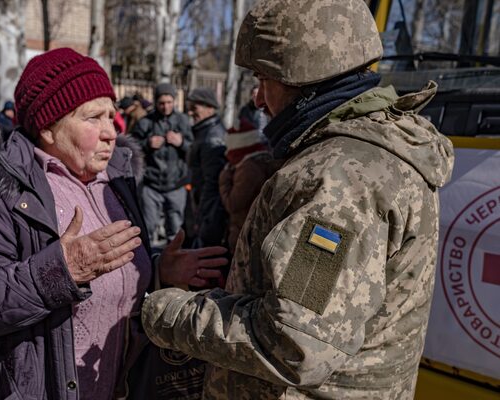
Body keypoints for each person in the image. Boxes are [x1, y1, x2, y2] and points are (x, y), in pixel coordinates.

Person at [141, 1, 455, 399]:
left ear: (303, 79)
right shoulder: (371, 156)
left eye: (263, 80)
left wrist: (164, 311)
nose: (258, 100)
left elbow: (294, 344)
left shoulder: (339, 179)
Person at [0, 48, 227, 400]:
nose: (111, 132)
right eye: (93, 118)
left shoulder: (116, 180)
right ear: (48, 127)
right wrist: (60, 271)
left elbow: (110, 276)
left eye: (112, 116)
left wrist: (157, 271)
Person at [131, 83, 193, 243]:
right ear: (156, 102)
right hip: (151, 186)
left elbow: (194, 149)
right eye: (162, 103)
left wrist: (181, 143)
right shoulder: (145, 122)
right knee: (147, 229)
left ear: (174, 101)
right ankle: (148, 258)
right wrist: (147, 144)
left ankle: (175, 258)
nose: (166, 107)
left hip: (177, 185)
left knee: (176, 231)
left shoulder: (183, 120)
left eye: (169, 102)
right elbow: (131, 149)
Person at [219, 119, 277, 252]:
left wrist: (224, 179)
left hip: (245, 234)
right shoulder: (261, 160)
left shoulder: (247, 169)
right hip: (252, 232)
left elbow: (233, 204)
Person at [186, 87, 227, 247]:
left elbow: (212, 183)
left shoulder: (212, 137)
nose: (190, 112)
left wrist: (201, 216)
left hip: (209, 212)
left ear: (209, 108)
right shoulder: (205, 131)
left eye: (194, 108)